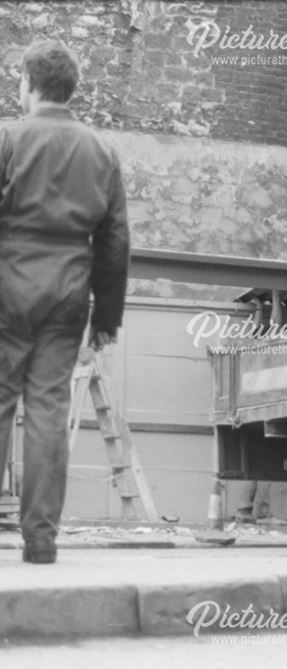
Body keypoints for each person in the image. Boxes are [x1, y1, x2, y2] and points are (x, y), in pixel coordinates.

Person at [0, 39, 129, 564]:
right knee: (49, 410)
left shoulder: (9, 139)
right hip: (68, 296)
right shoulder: (101, 151)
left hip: (8, 288)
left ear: (29, 84)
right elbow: (115, 240)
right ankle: (41, 539)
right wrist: (106, 317)